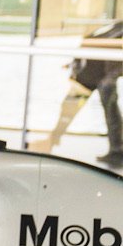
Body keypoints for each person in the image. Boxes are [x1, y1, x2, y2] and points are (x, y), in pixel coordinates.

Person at [36, 21, 123, 164]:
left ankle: (117, 150)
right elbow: (91, 44)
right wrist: (74, 63)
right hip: (87, 77)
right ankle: (53, 139)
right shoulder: (115, 25)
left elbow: (116, 55)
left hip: (100, 79)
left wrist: (109, 78)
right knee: (70, 107)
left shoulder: (118, 28)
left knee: (110, 113)